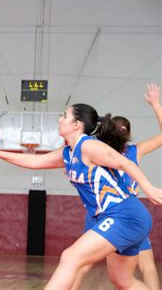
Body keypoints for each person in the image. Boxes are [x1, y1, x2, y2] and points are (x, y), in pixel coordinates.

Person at [0, 103, 162, 289]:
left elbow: (124, 163)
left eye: (64, 116)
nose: (59, 119)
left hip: (125, 215)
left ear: (76, 124)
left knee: (70, 257)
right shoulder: (67, 152)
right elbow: (35, 161)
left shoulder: (89, 146)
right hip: (119, 217)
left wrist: (149, 188)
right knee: (123, 281)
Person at [72, 84, 162, 290]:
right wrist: (156, 105)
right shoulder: (134, 151)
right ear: (127, 135)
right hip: (129, 215)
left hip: (103, 213)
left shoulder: (95, 150)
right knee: (145, 269)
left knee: (79, 264)